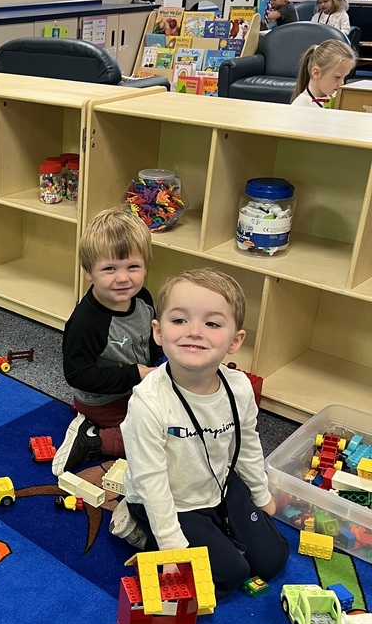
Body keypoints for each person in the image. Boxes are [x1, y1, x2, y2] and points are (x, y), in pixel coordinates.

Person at [118, 268, 289, 600]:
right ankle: (138, 525)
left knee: (271, 561)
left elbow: (247, 444)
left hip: (219, 486)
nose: (194, 332)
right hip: (168, 500)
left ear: (235, 341)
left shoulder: (238, 388)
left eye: (212, 323)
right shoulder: (148, 403)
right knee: (229, 576)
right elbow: (152, 480)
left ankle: (219, 531)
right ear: (158, 331)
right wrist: (170, 546)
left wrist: (260, 493)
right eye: (179, 320)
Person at [52, 209, 161, 475]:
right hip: (105, 401)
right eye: (109, 268)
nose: (123, 278)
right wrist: (137, 374)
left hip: (138, 386)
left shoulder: (142, 297)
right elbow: (77, 374)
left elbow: (151, 342)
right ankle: (93, 439)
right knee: (160, 438)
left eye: (133, 267)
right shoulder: (86, 321)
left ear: (145, 266)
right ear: (89, 272)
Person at [290, 39, 356, 107]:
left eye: (345, 77)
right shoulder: (300, 105)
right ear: (316, 73)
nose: (342, 83)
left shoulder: (336, 97)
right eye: (337, 77)